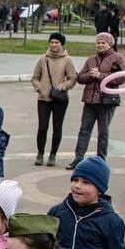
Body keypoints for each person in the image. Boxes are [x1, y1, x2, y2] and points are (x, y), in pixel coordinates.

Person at [67, 32, 125, 169]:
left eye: (103, 42)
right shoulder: (91, 59)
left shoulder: (117, 58)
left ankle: (101, 160)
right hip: (89, 101)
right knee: (84, 130)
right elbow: (80, 78)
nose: (100, 45)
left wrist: (100, 75)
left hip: (107, 101)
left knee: (103, 132)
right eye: (98, 42)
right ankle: (79, 158)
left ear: (110, 44)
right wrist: (90, 75)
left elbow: (121, 78)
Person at [31, 32, 77, 167]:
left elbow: (72, 78)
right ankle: (40, 153)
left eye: (57, 42)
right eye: (52, 42)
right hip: (43, 99)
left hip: (60, 99)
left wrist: (62, 87)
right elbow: (35, 77)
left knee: (57, 128)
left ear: (62, 44)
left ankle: (53, 154)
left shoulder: (67, 60)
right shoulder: (43, 59)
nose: (54, 45)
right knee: (42, 127)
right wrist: (40, 88)